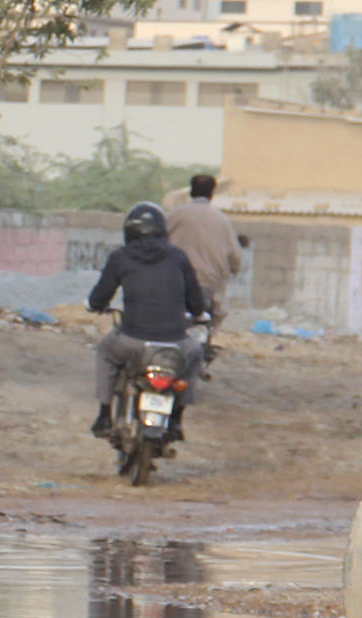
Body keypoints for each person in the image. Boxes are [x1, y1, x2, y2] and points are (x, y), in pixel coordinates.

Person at [85, 201, 210, 438]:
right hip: (176, 343)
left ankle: (104, 414)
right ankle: (176, 419)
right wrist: (200, 314)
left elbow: (98, 298)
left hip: (131, 341)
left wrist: (95, 307)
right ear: (163, 231)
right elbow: (196, 302)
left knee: (105, 352)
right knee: (195, 355)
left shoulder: (119, 257)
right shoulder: (178, 257)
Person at [168, 173, 243, 309]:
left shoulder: (175, 215)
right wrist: (234, 270)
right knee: (216, 317)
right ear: (212, 193)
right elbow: (235, 256)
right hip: (209, 285)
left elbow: (159, 241)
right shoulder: (222, 220)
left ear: (191, 192)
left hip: (176, 283)